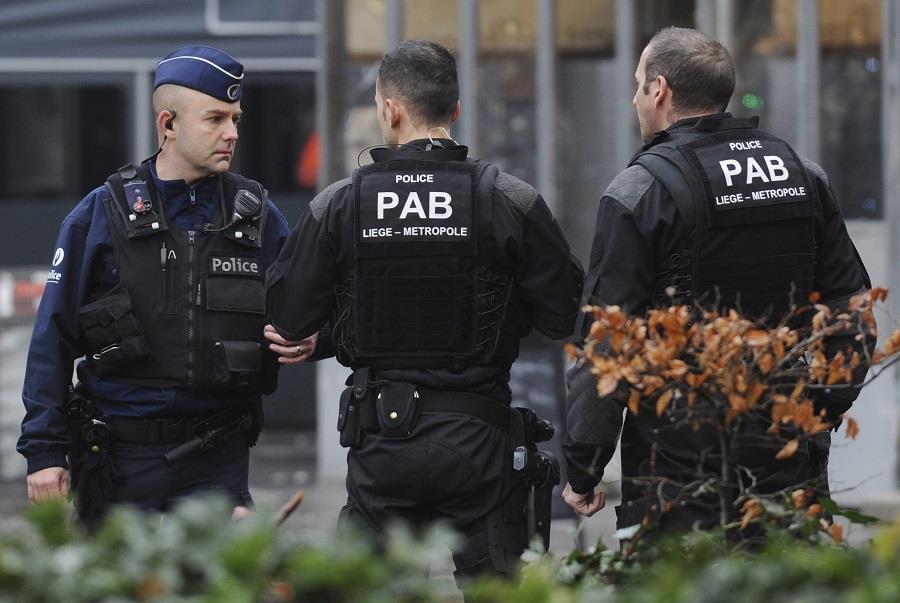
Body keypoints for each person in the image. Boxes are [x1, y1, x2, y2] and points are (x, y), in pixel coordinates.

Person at [266, 40, 583, 584]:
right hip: (482, 443)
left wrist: (340, 327)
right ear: (455, 111)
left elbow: (289, 318)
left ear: (387, 109)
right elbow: (564, 316)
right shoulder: (510, 199)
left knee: (370, 593)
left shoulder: (340, 204)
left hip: (383, 445)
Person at [562, 27, 872, 531]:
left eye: (638, 83)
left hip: (678, 466)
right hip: (787, 456)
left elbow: (606, 347)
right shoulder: (802, 173)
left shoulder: (641, 189)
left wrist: (583, 467)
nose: (633, 97)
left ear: (658, 90)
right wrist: (815, 416)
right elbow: (852, 313)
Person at [18, 45, 303, 524]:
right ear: (168, 124)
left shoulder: (257, 216)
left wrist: (316, 337)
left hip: (219, 461)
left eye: (236, 118)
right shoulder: (99, 214)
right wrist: (45, 452)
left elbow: (312, 309)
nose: (231, 133)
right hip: (120, 462)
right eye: (215, 119)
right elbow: (53, 336)